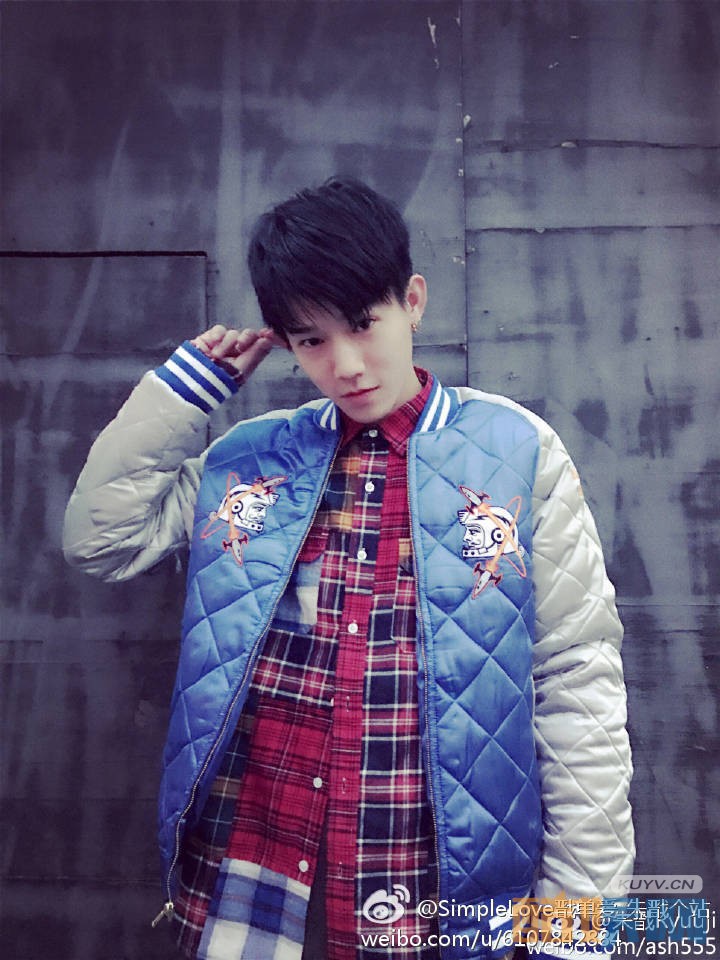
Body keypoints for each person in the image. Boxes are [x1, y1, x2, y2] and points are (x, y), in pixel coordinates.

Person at [62, 177, 634, 960]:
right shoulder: (249, 459)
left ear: (413, 302)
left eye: (364, 324)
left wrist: (581, 930)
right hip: (249, 868)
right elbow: (101, 539)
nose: (347, 364)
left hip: (434, 880)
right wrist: (186, 391)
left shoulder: (516, 452)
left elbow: (576, 681)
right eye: (311, 340)